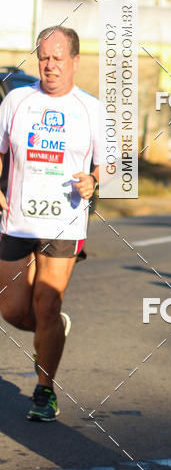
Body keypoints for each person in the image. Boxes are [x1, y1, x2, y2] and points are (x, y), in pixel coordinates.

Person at [0, 26, 101, 421]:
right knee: (12, 310)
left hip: (65, 222)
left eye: (58, 58)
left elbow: (107, 162)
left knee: (46, 302)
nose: (50, 66)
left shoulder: (90, 108)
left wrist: (94, 181)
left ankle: (44, 390)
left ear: (75, 61)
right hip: (17, 221)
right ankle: (55, 329)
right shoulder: (17, 101)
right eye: (44, 57)